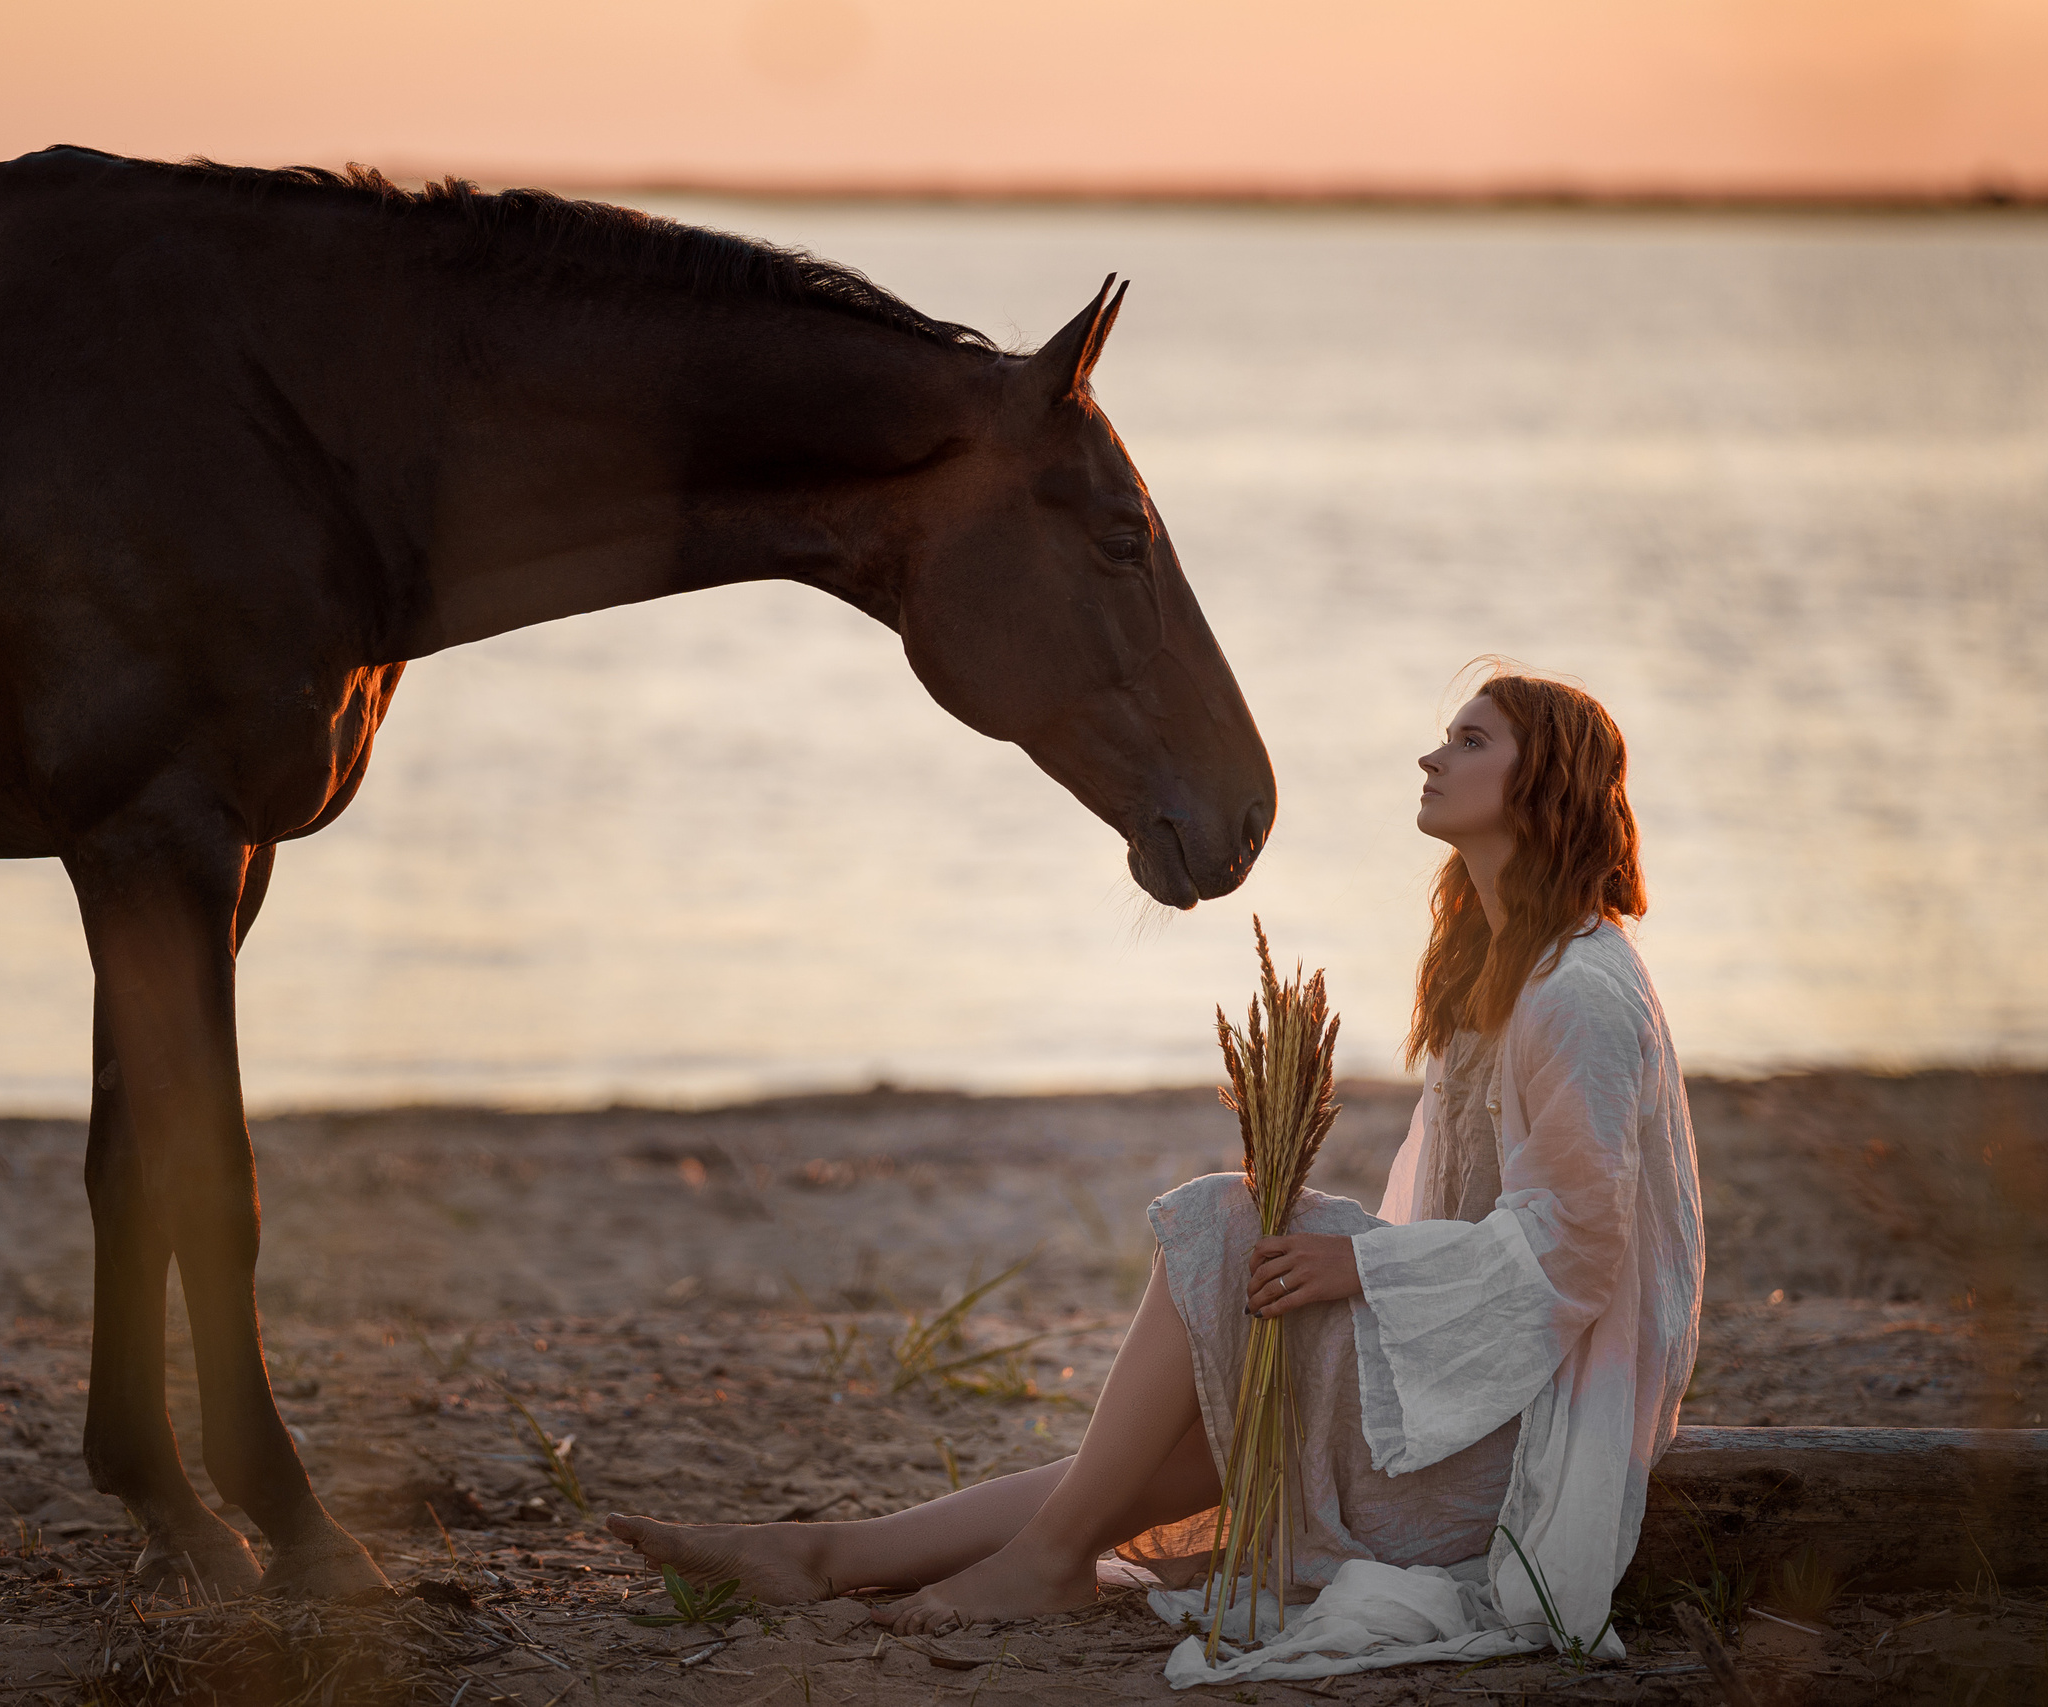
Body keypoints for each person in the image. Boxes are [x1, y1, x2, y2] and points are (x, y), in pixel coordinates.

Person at [608, 671, 1704, 1680]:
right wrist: (1357, 1279)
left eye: (1469, 741)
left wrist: (1361, 1275)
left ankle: (1009, 1559)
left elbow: (1575, 1246)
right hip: (1466, 1386)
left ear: (1542, 781)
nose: (1432, 757)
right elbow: (1478, 1223)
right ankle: (833, 1553)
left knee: (1226, 1217)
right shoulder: (1502, 968)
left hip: (1512, 1449)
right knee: (1216, 1369)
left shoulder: (1575, 994)